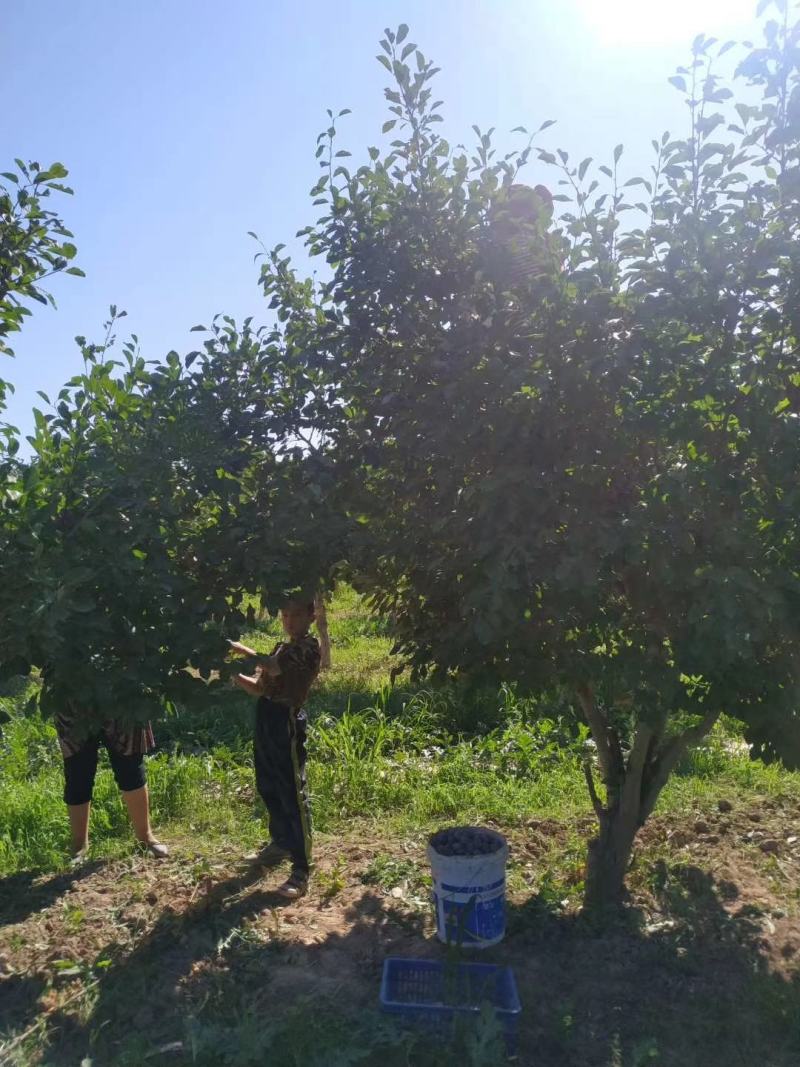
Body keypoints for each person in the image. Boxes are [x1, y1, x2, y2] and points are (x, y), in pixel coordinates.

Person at [229, 597, 321, 900]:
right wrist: (231, 673)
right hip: (266, 718)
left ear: (311, 615)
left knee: (293, 790)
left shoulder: (307, 648)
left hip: (286, 722)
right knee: (268, 784)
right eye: (285, 615)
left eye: (296, 614)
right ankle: (280, 842)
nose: (290, 621)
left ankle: (301, 868)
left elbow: (273, 669)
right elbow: (259, 687)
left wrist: (240, 649)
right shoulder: (281, 648)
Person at [56, 711, 168, 862]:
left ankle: (145, 838)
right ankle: (79, 847)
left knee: (130, 765)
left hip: (121, 696)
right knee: (77, 771)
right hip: (74, 701)